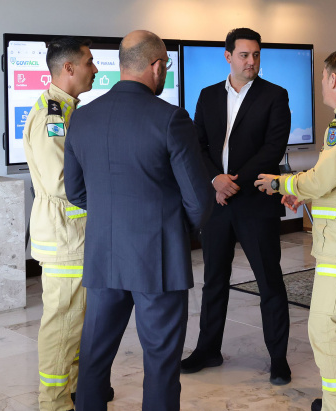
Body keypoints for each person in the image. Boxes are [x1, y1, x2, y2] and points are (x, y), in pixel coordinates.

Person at [64, 30, 213, 411]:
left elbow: (76, 192)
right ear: (156, 65)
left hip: (103, 255)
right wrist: (176, 229)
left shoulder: (82, 117)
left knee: (94, 358)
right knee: (161, 363)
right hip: (157, 260)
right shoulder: (171, 119)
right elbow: (198, 200)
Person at [256, 49, 336, 411]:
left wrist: (284, 184)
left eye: (322, 77)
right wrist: (304, 194)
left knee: (325, 326)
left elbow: (327, 175)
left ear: (332, 79)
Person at [181, 27, 293, 385]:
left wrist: (234, 182)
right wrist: (216, 179)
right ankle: (208, 350)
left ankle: (278, 358)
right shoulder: (207, 95)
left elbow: (272, 149)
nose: (251, 61)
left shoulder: (275, 95)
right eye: (244, 55)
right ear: (228, 56)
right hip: (217, 202)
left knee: (269, 281)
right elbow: (197, 145)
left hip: (255, 201)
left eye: (257, 55)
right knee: (214, 279)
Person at [22, 37, 101, 411]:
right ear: (68, 68)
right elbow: (62, 181)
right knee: (63, 322)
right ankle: (54, 402)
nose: (96, 69)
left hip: (73, 235)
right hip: (65, 236)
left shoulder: (68, 110)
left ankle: (68, 392)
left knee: (74, 322)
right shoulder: (53, 115)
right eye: (89, 62)